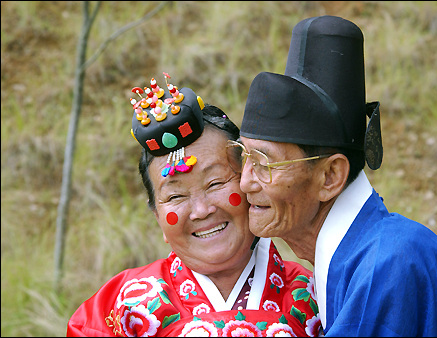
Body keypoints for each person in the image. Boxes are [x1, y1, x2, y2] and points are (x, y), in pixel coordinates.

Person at [230, 15, 437, 337]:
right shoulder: (372, 250)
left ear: (330, 176)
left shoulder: (384, 264)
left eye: (266, 163)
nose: (245, 181)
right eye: (244, 157)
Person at [66, 74, 321, 337]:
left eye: (216, 183)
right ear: (158, 217)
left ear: (250, 184)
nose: (201, 211)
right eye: (175, 196)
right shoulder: (122, 308)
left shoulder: (314, 298)